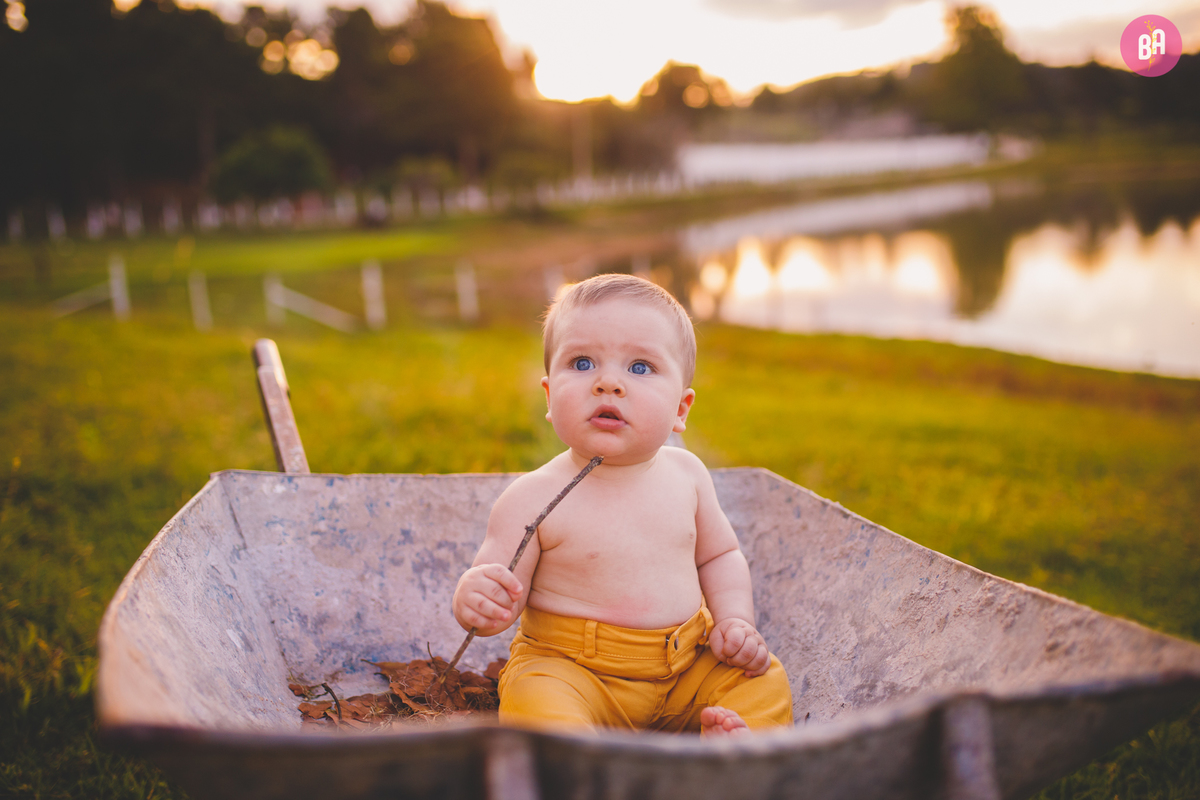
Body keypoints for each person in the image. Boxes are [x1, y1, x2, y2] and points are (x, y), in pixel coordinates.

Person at [451, 273, 792, 736]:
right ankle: (582, 761)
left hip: (689, 665)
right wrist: (478, 599)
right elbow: (501, 592)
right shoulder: (530, 498)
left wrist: (734, 622)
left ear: (681, 410)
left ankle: (732, 751)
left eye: (639, 368)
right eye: (583, 362)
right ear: (550, 397)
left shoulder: (688, 477)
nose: (608, 383)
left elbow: (720, 556)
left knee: (763, 679)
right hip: (574, 671)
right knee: (536, 697)